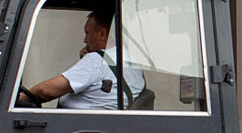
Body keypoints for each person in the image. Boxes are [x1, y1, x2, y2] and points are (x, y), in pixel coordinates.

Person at [15, 10, 145, 109]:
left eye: (87, 33)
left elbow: (45, 92)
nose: (85, 40)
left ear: (102, 34)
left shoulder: (96, 60)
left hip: (82, 132)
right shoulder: (131, 60)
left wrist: (19, 99)